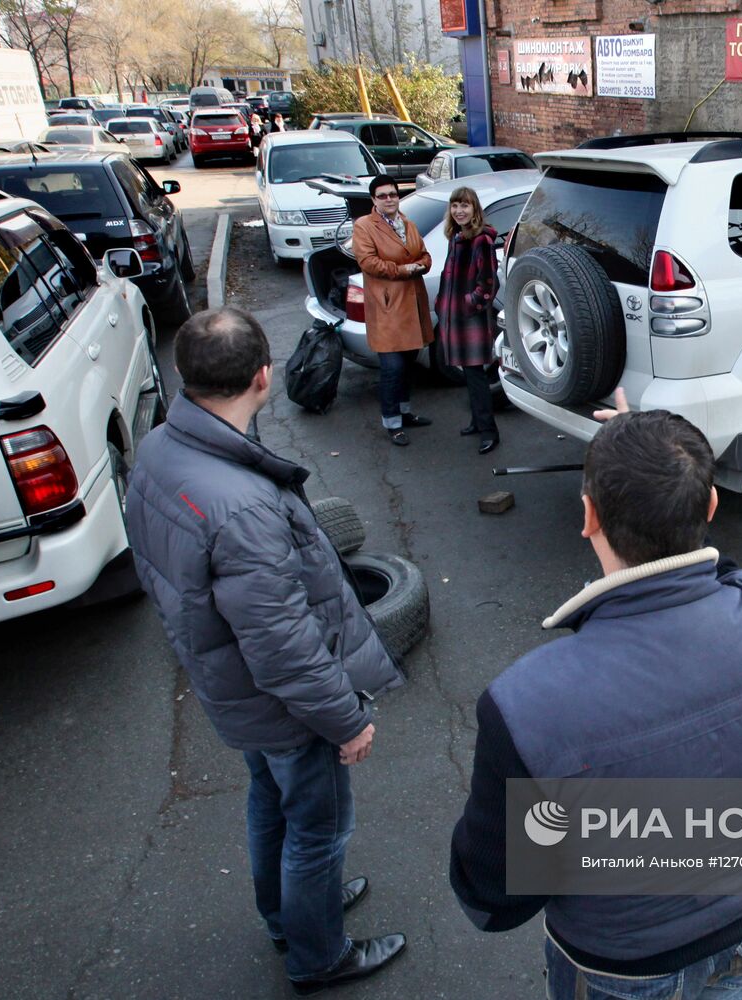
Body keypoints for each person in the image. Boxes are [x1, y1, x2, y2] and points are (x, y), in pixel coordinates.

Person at [450, 394, 742, 1000]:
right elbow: (726, 575)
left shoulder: (529, 703)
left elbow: (493, 893)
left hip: (625, 962)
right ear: (714, 505)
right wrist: (661, 465)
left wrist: (632, 466)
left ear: (588, 514)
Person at [123, 308, 407, 997]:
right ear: (262, 376)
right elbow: (283, 646)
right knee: (318, 829)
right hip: (282, 704)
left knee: (269, 799)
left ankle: (287, 913)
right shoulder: (243, 506)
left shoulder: (161, 449)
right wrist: (346, 719)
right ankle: (318, 956)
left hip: (232, 686)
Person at [351, 174, 434, 446]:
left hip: (411, 304)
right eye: (383, 195)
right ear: (374, 199)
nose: (389, 199)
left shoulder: (407, 223)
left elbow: (425, 255)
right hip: (387, 306)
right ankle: (392, 422)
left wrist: (421, 265)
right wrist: (404, 269)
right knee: (392, 367)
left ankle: (405, 413)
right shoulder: (364, 226)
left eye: (393, 194)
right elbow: (369, 262)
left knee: (408, 363)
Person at [434, 185, 499, 454]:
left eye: (465, 205)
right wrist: (442, 304)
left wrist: (466, 305)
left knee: (475, 375)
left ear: (475, 209)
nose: (459, 211)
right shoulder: (456, 237)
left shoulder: (480, 240)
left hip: (469, 319)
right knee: (468, 373)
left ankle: (489, 431)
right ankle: (476, 420)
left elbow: (488, 284)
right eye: (455, 206)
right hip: (454, 318)